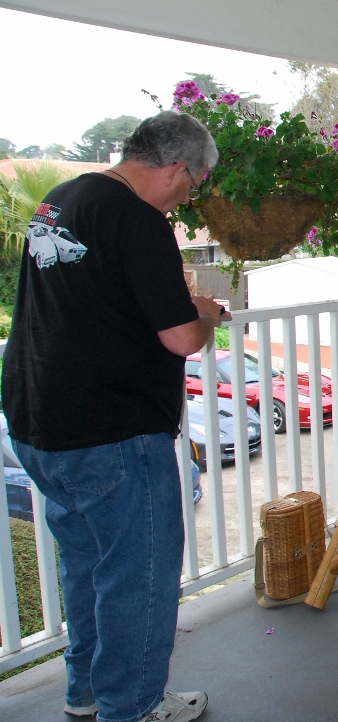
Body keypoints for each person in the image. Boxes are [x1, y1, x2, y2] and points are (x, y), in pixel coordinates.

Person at [1, 111, 227, 722]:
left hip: (37, 420)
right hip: (110, 427)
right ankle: (131, 707)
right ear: (178, 168)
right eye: (195, 182)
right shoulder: (138, 219)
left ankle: (88, 690)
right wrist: (205, 313)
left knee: (85, 561)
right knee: (139, 578)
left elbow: (95, 299)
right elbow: (181, 339)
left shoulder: (60, 199)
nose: (190, 195)